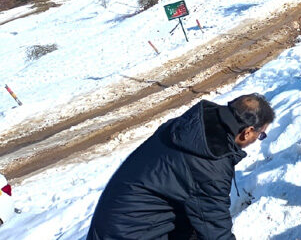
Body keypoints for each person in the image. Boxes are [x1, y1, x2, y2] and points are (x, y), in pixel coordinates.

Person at [87, 94, 274, 240]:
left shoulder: (195, 126)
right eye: (260, 135)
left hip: (118, 219)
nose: (258, 139)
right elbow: (214, 230)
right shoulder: (210, 162)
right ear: (247, 132)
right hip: (129, 232)